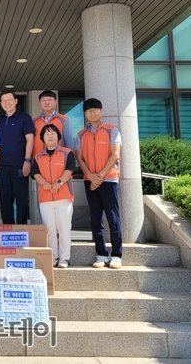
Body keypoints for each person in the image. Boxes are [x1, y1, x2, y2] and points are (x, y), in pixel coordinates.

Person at [74, 98, 123, 269]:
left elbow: (115, 155)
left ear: (101, 111)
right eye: (89, 110)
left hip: (109, 180)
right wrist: (90, 175)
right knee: (95, 219)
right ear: (85, 113)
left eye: (95, 109)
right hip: (90, 181)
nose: (92, 112)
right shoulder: (81, 134)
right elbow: (79, 158)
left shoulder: (112, 130)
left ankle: (116, 255)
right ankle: (101, 254)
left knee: (113, 218)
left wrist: (100, 176)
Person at [32, 124, 75, 268]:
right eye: (47, 134)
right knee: (50, 229)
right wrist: (44, 183)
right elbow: (35, 173)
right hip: (45, 199)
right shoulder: (38, 157)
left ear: (58, 136)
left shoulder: (67, 153)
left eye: (53, 133)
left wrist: (59, 182)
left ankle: (64, 258)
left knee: (64, 229)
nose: (50, 136)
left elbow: (70, 170)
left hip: (64, 197)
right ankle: (53, 257)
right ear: (42, 138)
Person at [0, 88, 34, 224]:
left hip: (20, 164)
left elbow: (30, 139)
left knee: (21, 197)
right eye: (3, 101)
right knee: (5, 198)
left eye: (9, 100)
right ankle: (7, 228)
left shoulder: (24, 118)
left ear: (16, 101)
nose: (7, 103)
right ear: (1, 104)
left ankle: (22, 227)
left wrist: (27, 160)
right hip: (2, 165)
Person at [32, 90, 74, 158]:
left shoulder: (63, 119)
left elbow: (69, 142)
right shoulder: (35, 121)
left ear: (55, 102)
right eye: (43, 100)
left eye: (50, 100)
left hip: (59, 159)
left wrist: (70, 158)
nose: (47, 102)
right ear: (40, 103)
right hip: (38, 159)